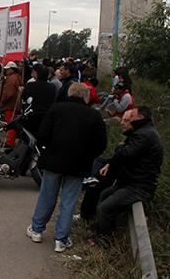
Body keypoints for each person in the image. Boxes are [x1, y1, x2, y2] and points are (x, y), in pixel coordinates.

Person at [26, 83, 106, 253]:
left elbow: (43, 135)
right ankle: (61, 240)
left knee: (47, 196)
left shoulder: (56, 109)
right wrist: (88, 156)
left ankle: (37, 230)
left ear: (70, 93)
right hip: (79, 165)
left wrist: (49, 150)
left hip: (53, 161)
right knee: (68, 202)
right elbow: (100, 144)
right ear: (85, 96)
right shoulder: (94, 115)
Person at [94, 107, 163, 236]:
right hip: (131, 182)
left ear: (140, 118)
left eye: (130, 118)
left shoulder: (144, 135)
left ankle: (103, 240)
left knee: (104, 208)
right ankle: (102, 228)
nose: (126, 121)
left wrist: (120, 147)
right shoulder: (144, 132)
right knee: (105, 194)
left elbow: (125, 153)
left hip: (138, 186)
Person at [21, 64, 57, 138]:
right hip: (46, 118)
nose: (32, 75)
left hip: (31, 117)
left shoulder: (30, 85)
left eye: (33, 72)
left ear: (37, 73)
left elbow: (24, 98)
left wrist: (22, 91)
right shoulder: (52, 87)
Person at [0, 61, 23, 147]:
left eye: (7, 69)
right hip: (14, 104)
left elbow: (8, 93)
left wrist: (2, 102)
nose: (6, 71)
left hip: (10, 105)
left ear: (12, 70)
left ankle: (9, 143)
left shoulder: (12, 79)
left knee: (10, 124)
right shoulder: (16, 77)